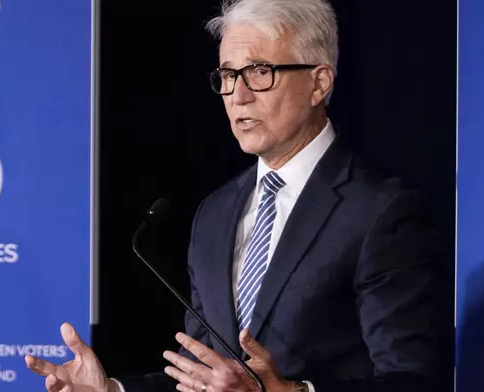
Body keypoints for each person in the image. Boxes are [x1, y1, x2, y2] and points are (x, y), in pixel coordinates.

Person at [25, 0, 453, 391]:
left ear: (319, 82)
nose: (238, 96)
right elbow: (204, 380)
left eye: (260, 72)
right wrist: (112, 390)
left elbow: (412, 380)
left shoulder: (382, 211)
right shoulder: (215, 213)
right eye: (228, 75)